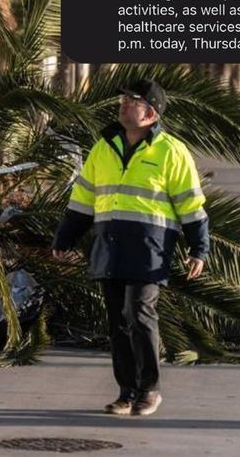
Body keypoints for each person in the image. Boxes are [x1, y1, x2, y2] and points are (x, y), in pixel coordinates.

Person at [51, 79, 210, 417]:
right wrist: (64, 238)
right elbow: (83, 199)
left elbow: (191, 204)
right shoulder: (103, 147)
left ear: (151, 113)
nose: (123, 104)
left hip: (149, 248)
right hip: (109, 245)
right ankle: (127, 392)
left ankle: (149, 389)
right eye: (122, 99)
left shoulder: (171, 151)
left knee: (138, 313)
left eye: (132, 100)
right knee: (117, 322)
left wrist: (199, 248)